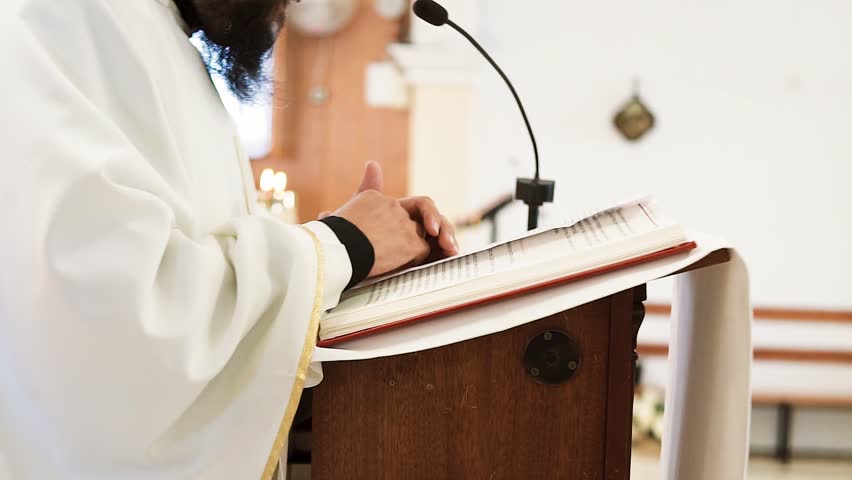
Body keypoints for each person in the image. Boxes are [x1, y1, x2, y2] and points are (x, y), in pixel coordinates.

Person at [0, 0, 457, 479]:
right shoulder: (64, 17)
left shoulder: (159, 36)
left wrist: (347, 269)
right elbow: (108, 311)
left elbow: (202, 251)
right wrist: (341, 245)